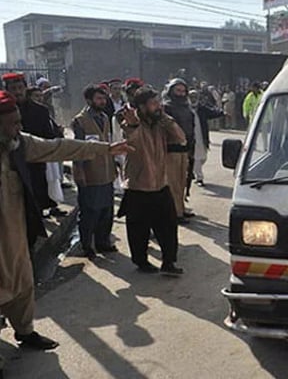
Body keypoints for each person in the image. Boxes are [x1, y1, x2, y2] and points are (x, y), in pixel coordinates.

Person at [0, 90, 131, 365]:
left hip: (15, 233)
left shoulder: (20, 144)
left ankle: (25, 332)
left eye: (19, 121)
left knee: (22, 283)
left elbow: (60, 147)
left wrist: (105, 149)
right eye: (13, 123)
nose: (19, 127)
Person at [117, 87, 186, 275]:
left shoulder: (161, 124)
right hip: (138, 187)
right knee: (139, 230)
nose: (158, 106)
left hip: (161, 185)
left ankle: (168, 263)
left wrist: (164, 117)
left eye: (159, 103)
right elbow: (133, 138)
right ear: (141, 106)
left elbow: (180, 138)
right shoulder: (131, 124)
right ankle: (141, 262)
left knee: (169, 227)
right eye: (153, 103)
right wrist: (133, 124)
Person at [2, 73, 65, 218]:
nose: (17, 92)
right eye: (13, 88)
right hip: (10, 168)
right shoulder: (3, 112)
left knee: (36, 204)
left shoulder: (40, 111)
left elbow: (49, 138)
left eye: (20, 87)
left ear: (25, 88)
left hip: (35, 164)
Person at [71, 85, 118, 259]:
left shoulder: (105, 118)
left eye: (104, 99)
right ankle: (86, 245)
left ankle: (103, 242)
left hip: (106, 171)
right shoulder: (80, 121)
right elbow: (77, 149)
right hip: (90, 173)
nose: (102, 101)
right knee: (90, 211)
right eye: (99, 99)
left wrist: (114, 165)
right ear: (89, 100)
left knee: (106, 210)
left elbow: (108, 142)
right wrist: (79, 170)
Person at [163, 78, 195, 224]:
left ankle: (180, 208)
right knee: (173, 183)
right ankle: (175, 213)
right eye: (178, 90)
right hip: (172, 150)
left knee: (183, 182)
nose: (181, 94)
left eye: (183, 91)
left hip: (185, 149)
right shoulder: (166, 107)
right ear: (171, 91)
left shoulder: (187, 107)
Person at [189, 89, 225, 187]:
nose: (193, 99)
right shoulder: (185, 109)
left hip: (202, 135)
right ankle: (199, 178)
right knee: (196, 157)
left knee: (203, 158)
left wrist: (222, 112)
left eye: (195, 97)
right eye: (191, 97)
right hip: (191, 137)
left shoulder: (202, 108)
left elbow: (213, 112)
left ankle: (193, 170)